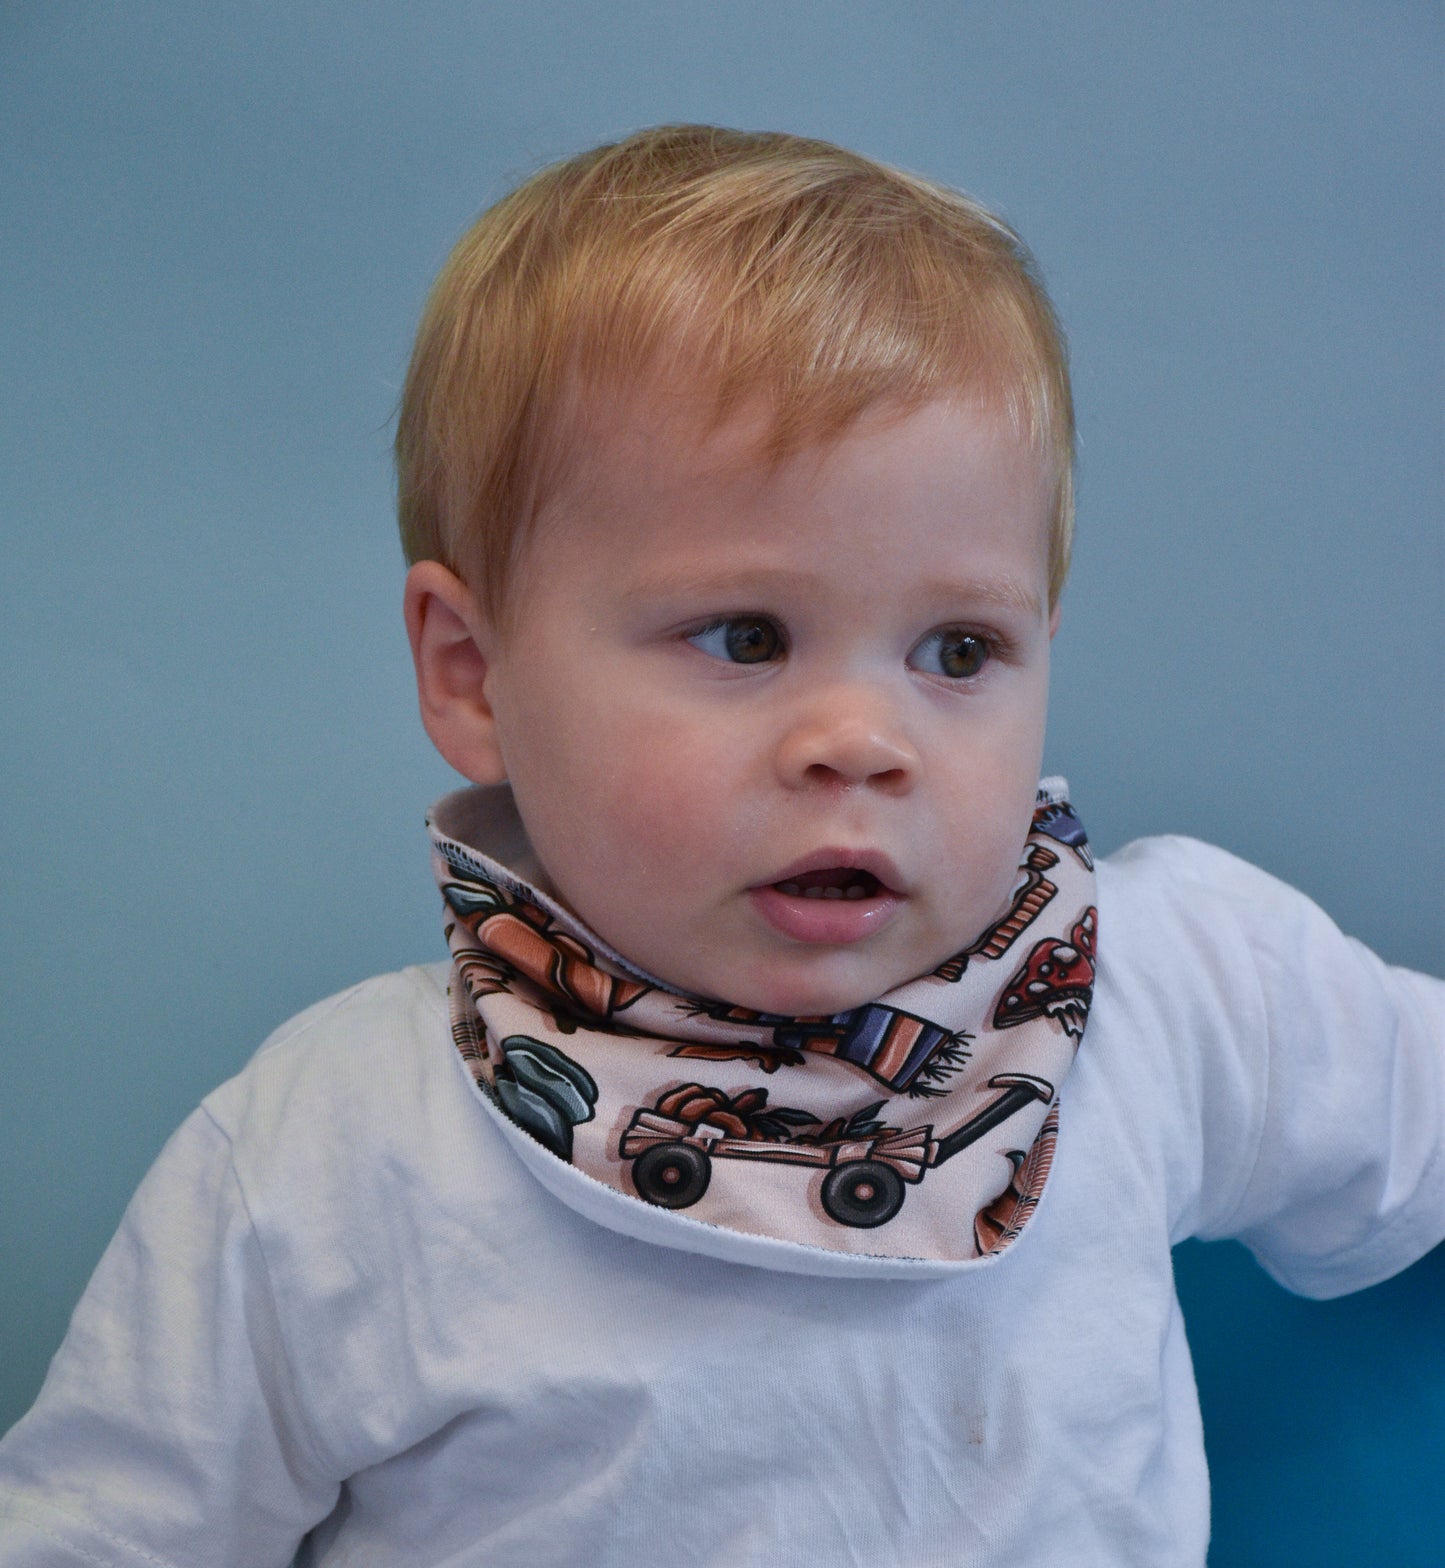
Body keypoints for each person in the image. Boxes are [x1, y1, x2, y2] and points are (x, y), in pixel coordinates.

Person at [0, 124, 1439, 1568]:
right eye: (745, 636)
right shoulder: (331, 1149)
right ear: (471, 672)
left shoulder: (1174, 993)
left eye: (958, 648)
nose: (862, 740)